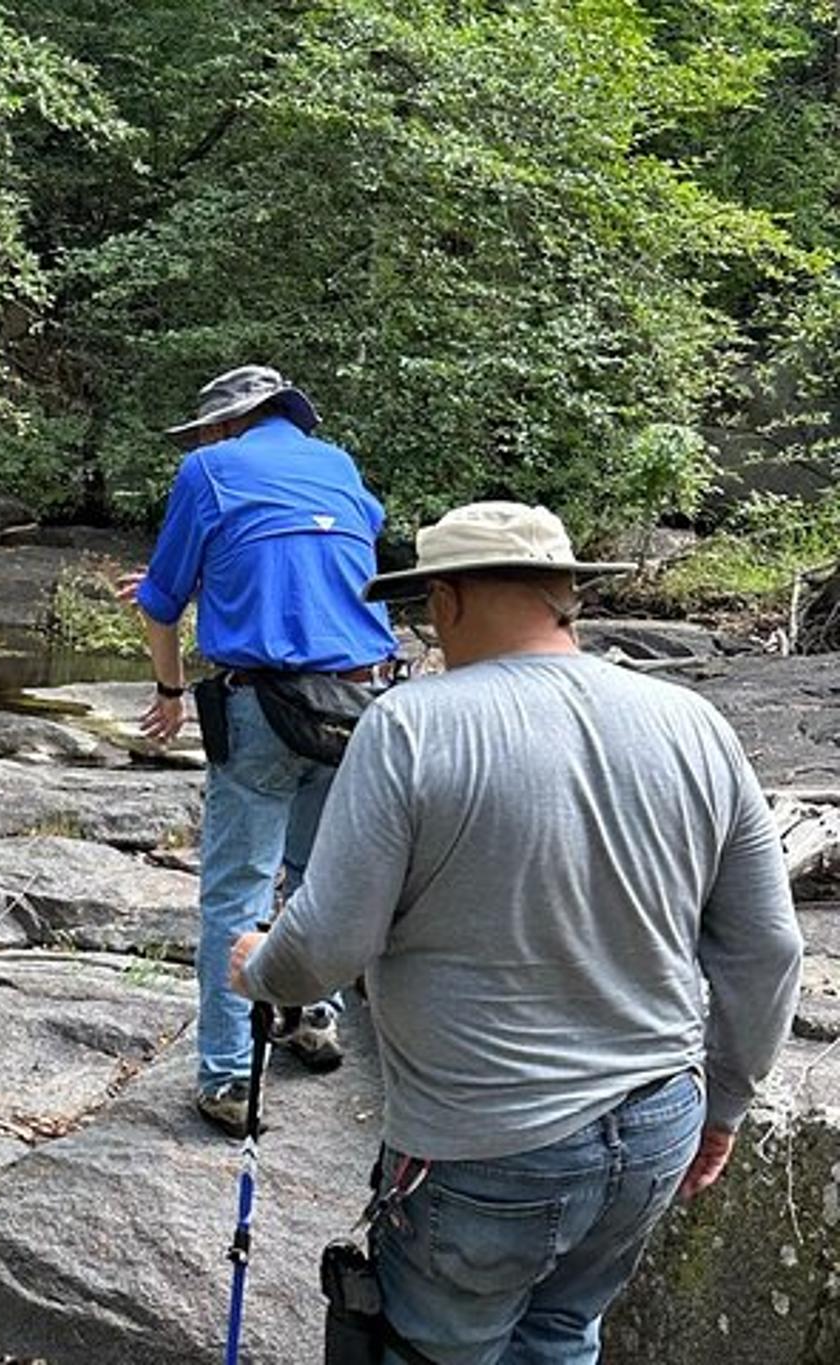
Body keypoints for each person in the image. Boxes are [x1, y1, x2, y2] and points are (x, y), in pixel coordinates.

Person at [230, 501, 804, 1364]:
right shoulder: (695, 725)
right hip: (657, 1122)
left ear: (450, 600)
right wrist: (725, 1102)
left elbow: (325, 947)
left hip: (485, 1143)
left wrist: (258, 970)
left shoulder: (409, 725)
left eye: (426, 607)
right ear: (565, 594)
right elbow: (767, 949)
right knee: (565, 1334)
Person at [123, 364, 400, 1137]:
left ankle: (227, 1075)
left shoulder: (207, 469)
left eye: (207, 427)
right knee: (324, 873)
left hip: (263, 702)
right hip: (356, 702)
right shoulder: (338, 464)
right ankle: (315, 1017)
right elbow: (323, 568)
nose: (204, 438)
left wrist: (172, 694)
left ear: (224, 424)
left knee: (237, 891)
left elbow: (160, 604)